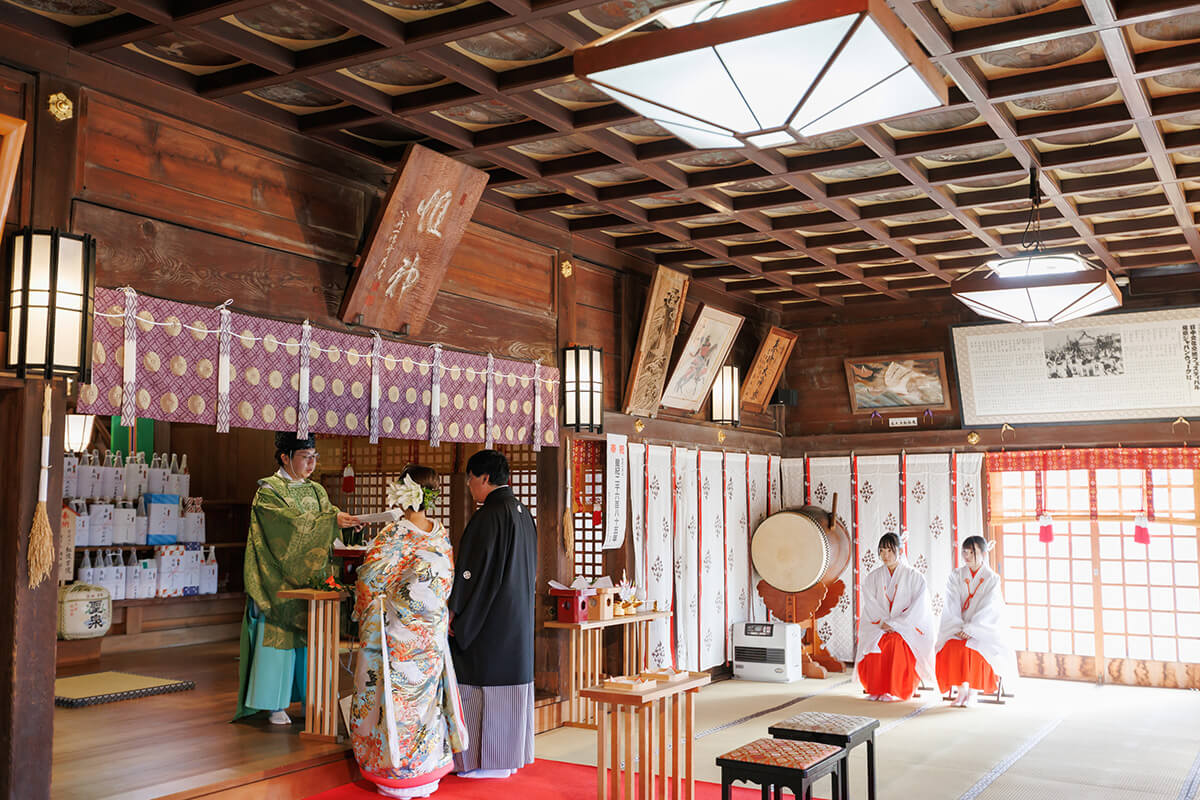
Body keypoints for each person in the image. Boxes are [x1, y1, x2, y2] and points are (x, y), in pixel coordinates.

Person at [351, 465, 467, 798]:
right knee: (426, 703)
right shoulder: (440, 534)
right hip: (429, 635)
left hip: (397, 635)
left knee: (397, 704)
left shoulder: (396, 534)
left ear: (403, 493)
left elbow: (369, 578)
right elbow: (444, 582)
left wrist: (365, 608)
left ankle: (397, 775)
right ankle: (427, 772)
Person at [234, 432, 361, 725]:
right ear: (285, 457)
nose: (311, 464)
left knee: (313, 639)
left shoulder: (317, 491)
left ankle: (311, 699)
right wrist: (330, 521)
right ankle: (273, 703)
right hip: (276, 579)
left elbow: (327, 519)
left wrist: (342, 522)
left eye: (314, 457)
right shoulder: (269, 490)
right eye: (305, 457)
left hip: (311, 577)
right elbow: (284, 527)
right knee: (278, 639)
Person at [448, 449, 537, 779]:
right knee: (509, 688)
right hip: (516, 618)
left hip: (490, 623)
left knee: (479, 683)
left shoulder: (488, 516)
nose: (469, 485)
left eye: (470, 479)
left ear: (484, 478)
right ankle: (507, 759)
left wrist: (456, 611)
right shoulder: (522, 512)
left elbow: (473, 572)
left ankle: (482, 762)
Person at [935, 535, 1018, 707]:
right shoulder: (956, 576)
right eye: (965, 552)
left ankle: (973, 692)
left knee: (974, 647)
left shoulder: (992, 578)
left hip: (984, 628)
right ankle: (960, 691)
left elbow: (990, 607)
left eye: (972, 552)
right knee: (950, 646)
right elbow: (951, 604)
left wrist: (972, 629)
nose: (967, 556)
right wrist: (957, 627)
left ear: (983, 554)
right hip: (957, 627)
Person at [855, 532, 936, 702]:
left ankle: (894, 689)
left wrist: (896, 624)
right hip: (880, 625)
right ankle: (876, 687)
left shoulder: (914, 577)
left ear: (900, 550)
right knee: (875, 642)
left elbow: (919, 608)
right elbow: (870, 604)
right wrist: (885, 623)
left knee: (894, 642)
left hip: (906, 628)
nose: (885, 555)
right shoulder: (873, 577)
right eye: (882, 551)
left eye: (890, 551)